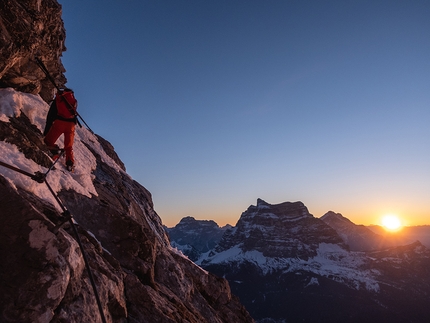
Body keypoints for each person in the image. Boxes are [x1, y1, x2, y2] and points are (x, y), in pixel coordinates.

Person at [43, 88, 78, 172]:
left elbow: (51, 116)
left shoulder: (59, 99)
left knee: (48, 142)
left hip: (59, 123)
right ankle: (69, 163)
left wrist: (46, 133)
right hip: (71, 125)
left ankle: (55, 152)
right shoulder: (73, 100)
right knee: (68, 146)